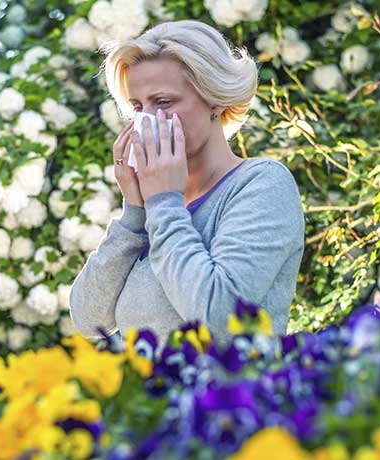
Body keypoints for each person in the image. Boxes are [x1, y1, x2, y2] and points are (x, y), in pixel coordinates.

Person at [68, 19, 305, 348]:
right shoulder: (155, 208)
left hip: (229, 396)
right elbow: (88, 319)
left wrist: (163, 203)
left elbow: (220, 320)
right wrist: (135, 213)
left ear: (215, 99)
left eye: (163, 102)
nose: (147, 120)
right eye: (138, 107)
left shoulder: (262, 184)